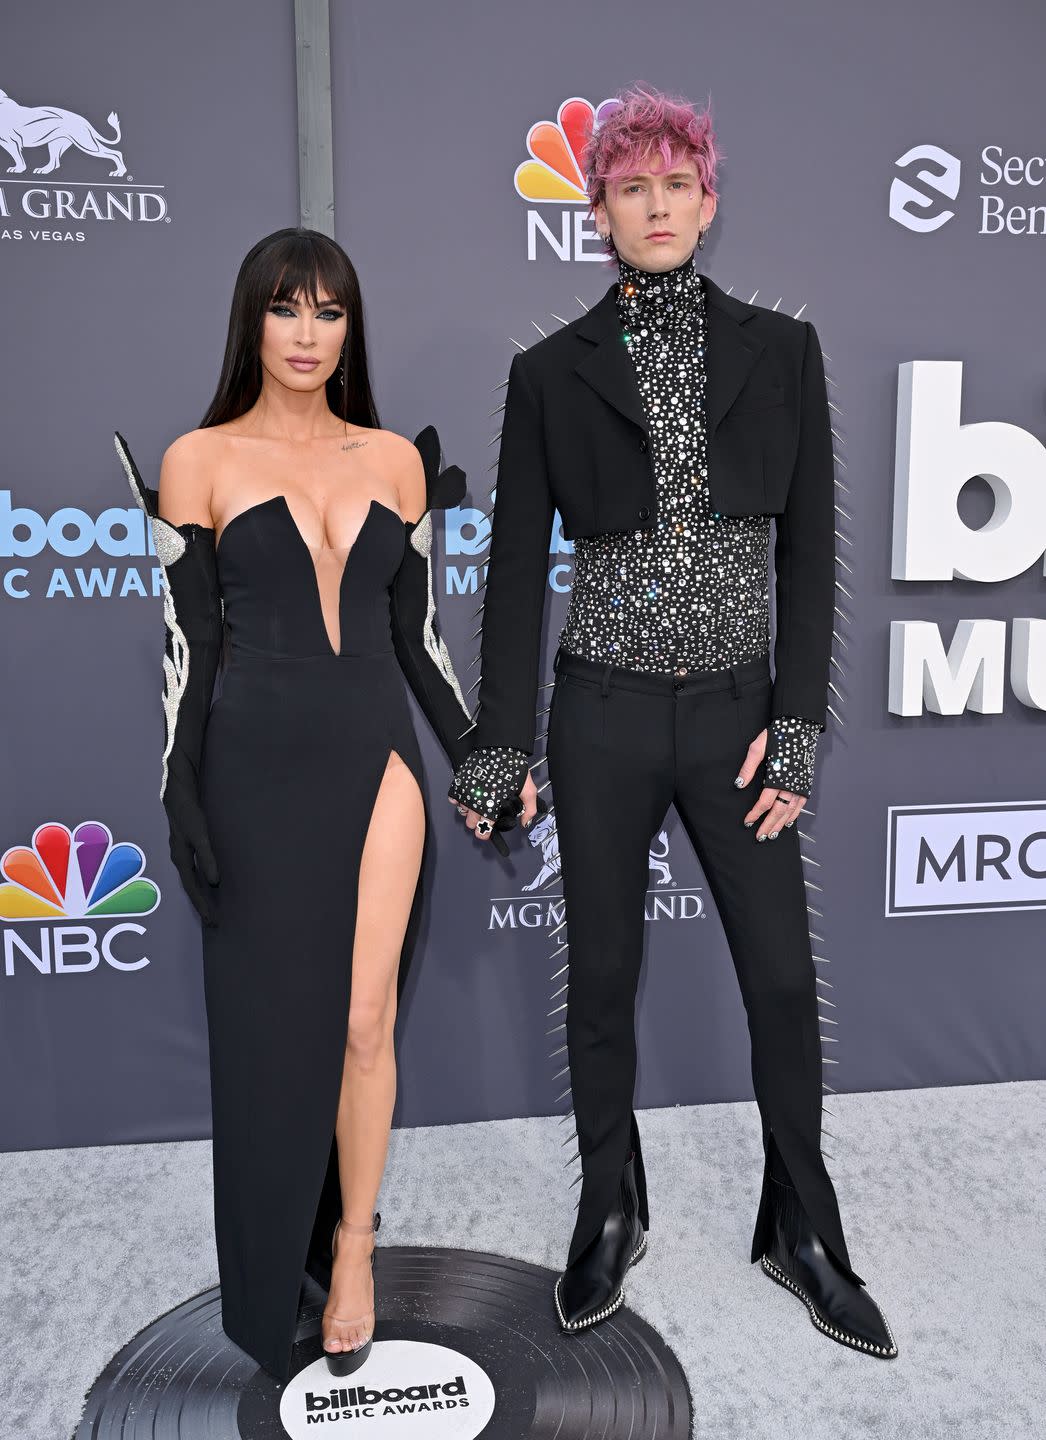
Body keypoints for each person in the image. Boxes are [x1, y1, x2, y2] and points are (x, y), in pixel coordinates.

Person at [449, 87, 897, 1358]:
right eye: (628, 188)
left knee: (780, 975)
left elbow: (810, 558)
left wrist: (796, 728)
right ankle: (609, 1204)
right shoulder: (547, 374)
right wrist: (498, 741)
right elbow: (512, 579)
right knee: (599, 977)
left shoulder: (781, 350)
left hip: (735, 723)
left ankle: (800, 1228)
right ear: (596, 212)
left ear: (709, 199)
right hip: (594, 717)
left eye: (675, 184)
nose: (655, 207)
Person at [115, 228, 475, 1383]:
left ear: (348, 328)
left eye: (328, 312)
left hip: (377, 759)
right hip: (251, 766)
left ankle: (354, 1252)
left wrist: (476, 753)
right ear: (252, 323)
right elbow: (187, 648)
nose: (308, 335)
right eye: (286, 310)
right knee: (277, 1043)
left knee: (366, 1024)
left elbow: (418, 643)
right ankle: (279, 1267)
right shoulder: (197, 459)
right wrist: (178, 789)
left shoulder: (395, 462)